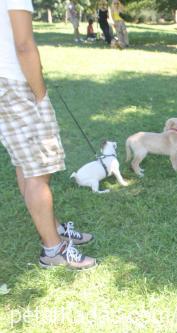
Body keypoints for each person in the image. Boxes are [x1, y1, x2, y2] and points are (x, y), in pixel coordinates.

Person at [0, 0, 96, 269]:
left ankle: (52, 228)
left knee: (26, 164)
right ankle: (53, 249)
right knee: (39, 171)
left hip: (4, 84)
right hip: (16, 85)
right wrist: (40, 95)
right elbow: (24, 45)